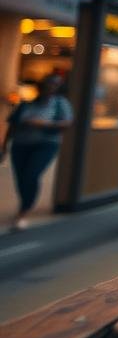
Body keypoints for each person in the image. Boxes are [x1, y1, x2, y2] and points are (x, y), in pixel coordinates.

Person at [2, 74, 72, 231]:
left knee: (31, 175)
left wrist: (45, 124)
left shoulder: (60, 104)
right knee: (21, 179)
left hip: (45, 144)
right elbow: (12, 126)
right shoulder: (26, 105)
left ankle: (23, 212)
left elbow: (67, 123)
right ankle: (25, 204)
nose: (50, 88)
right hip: (21, 144)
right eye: (48, 84)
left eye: (54, 85)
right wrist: (4, 147)